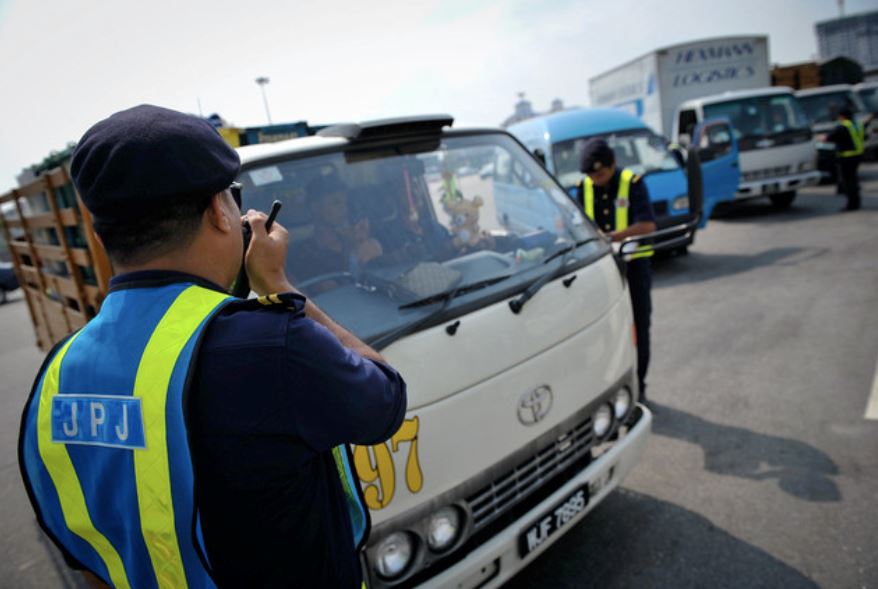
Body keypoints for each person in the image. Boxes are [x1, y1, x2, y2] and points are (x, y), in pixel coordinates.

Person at [18, 104, 407, 589]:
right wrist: (282, 289)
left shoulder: (58, 376)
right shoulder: (272, 345)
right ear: (218, 214)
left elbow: (86, 554)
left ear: (100, 236)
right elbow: (385, 399)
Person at [576, 138, 657, 404]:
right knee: (604, 333)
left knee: (639, 327)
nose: (596, 180)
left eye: (600, 174)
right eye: (591, 175)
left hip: (634, 268)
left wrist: (613, 236)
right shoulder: (582, 188)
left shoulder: (632, 183)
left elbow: (647, 226)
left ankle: (640, 386)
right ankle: (610, 390)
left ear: (613, 166)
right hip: (600, 272)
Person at [293, 173, 383, 282]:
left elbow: (380, 274)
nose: (344, 209)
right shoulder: (306, 254)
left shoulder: (351, 237)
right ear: (315, 207)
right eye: (336, 203)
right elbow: (333, 293)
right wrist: (351, 250)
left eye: (345, 203)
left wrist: (366, 245)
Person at [828, 107, 864, 211]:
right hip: (857, 156)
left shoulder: (843, 127)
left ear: (842, 116)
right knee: (853, 180)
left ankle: (851, 204)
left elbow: (829, 138)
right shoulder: (858, 125)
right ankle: (856, 202)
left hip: (846, 158)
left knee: (848, 182)